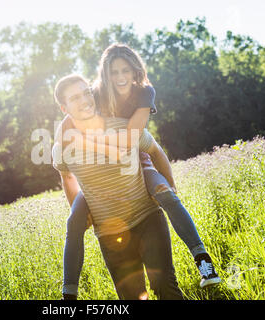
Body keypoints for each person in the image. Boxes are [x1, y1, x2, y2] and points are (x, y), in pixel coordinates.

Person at [59, 44, 220, 300]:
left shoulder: (144, 93)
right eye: (114, 72)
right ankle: (68, 295)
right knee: (74, 219)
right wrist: (66, 135)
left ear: (136, 71)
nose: (121, 77)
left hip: (139, 159)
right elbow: (73, 117)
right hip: (103, 191)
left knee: (166, 195)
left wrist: (171, 186)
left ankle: (203, 261)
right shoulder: (96, 95)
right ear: (105, 75)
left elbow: (137, 141)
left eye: (126, 70)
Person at [52, 74, 184, 300]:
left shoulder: (122, 126)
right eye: (75, 98)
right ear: (65, 108)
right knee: (132, 297)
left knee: (164, 286)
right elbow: (66, 176)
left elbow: (155, 151)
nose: (84, 100)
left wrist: (170, 187)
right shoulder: (63, 146)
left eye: (86, 93)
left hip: (147, 217)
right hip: (109, 232)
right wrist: (79, 210)